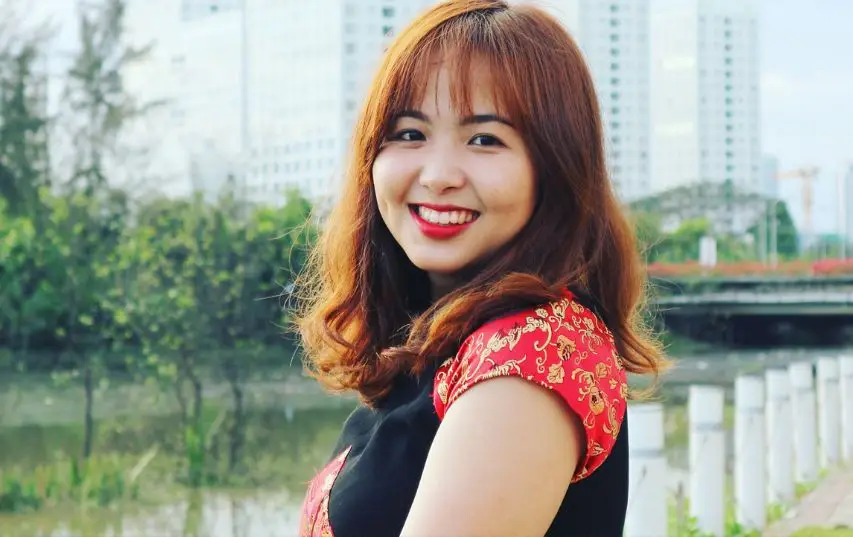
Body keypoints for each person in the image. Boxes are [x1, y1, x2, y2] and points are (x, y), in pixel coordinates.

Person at [295, 1, 668, 536]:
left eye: (485, 139)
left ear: (556, 168)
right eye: (408, 133)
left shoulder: (534, 352)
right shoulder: (438, 348)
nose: (439, 175)